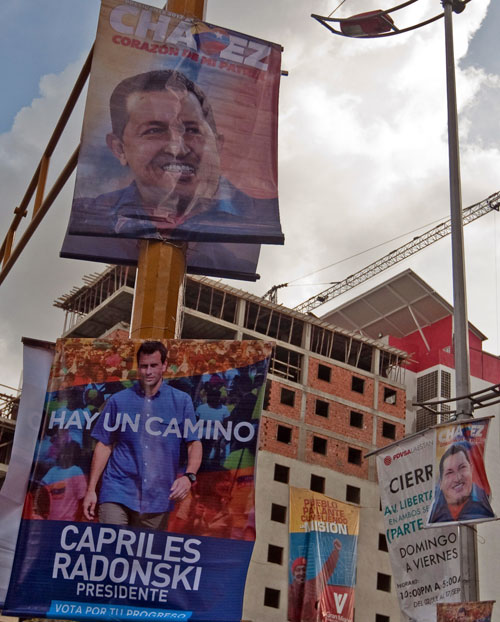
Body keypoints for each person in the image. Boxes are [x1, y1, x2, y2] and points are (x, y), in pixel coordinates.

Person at [69, 69, 282, 243]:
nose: (177, 148)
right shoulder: (89, 216)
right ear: (119, 149)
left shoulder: (259, 217)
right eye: (154, 130)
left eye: (192, 130)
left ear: (217, 144)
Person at [82, 340, 202, 529]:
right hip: (117, 490)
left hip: (158, 498)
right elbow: (104, 445)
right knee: (109, 551)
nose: (148, 371)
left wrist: (189, 476)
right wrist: (91, 490)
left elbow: (194, 443)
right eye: (144, 366)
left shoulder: (181, 401)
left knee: (141, 559)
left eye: (154, 365)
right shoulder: (118, 401)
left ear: (164, 366)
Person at [428, 443, 494, 523]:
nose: (457, 478)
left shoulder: (484, 505)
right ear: (440, 482)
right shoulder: (434, 513)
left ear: (471, 469)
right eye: (449, 473)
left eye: (462, 467)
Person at [288, 539, 342, 622]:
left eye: (304, 569)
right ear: (293, 573)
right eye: (298, 570)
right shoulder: (289, 590)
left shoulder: (313, 584)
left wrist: (336, 551)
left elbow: (327, 569)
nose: (301, 572)